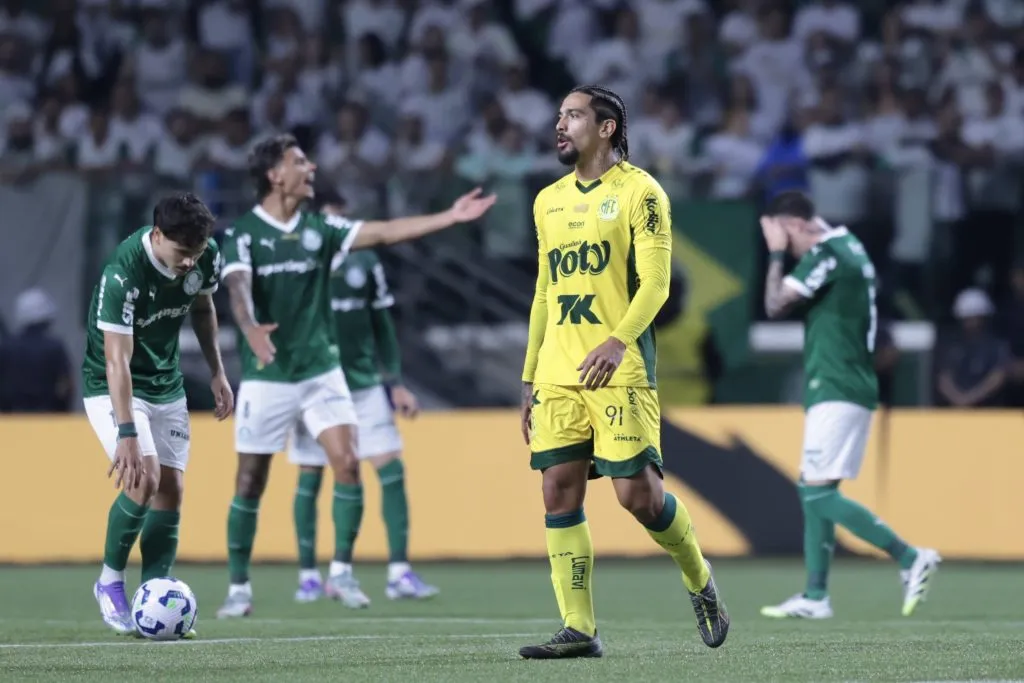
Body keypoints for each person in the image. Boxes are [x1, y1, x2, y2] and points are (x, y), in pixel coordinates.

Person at [216, 134, 495, 617]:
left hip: (324, 373)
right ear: (274, 175)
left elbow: (385, 232)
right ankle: (239, 587)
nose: (312, 167)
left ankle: (340, 572)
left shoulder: (320, 230)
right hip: (269, 377)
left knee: (347, 463)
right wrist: (248, 326)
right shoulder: (242, 233)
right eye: (300, 161)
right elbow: (237, 286)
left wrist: (449, 217)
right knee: (249, 483)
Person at [518, 85, 729, 660]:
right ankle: (580, 629)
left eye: (574, 115)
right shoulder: (547, 201)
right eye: (559, 115)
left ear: (607, 127)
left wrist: (617, 341)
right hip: (559, 370)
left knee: (636, 495)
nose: (560, 125)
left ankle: (698, 577)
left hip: (619, 368)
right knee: (556, 489)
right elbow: (544, 292)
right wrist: (530, 377)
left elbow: (657, 285)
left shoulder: (642, 193)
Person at [757, 190, 940, 619]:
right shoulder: (848, 247)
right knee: (817, 489)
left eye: (785, 236)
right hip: (841, 382)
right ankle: (816, 595)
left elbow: (774, 303)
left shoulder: (831, 252)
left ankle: (910, 557)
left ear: (796, 226)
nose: (788, 246)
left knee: (814, 494)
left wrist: (775, 255)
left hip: (839, 384)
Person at [82, 193, 234, 636]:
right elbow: (116, 361)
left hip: (166, 383)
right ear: (158, 234)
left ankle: (156, 593)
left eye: (198, 253)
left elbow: (204, 309)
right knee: (143, 478)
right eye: (183, 254)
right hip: (111, 385)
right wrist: (126, 430)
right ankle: (109, 582)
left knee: (172, 488)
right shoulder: (123, 272)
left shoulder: (204, 255)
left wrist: (217, 372)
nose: (190, 264)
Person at [287, 187, 438, 604]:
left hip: (365, 385)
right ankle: (308, 576)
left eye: (345, 221)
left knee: (391, 468)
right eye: (332, 221)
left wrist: (396, 382)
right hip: (314, 386)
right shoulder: (297, 264)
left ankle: (399, 572)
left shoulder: (367, 263)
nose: (343, 230)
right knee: (311, 475)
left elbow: (382, 325)